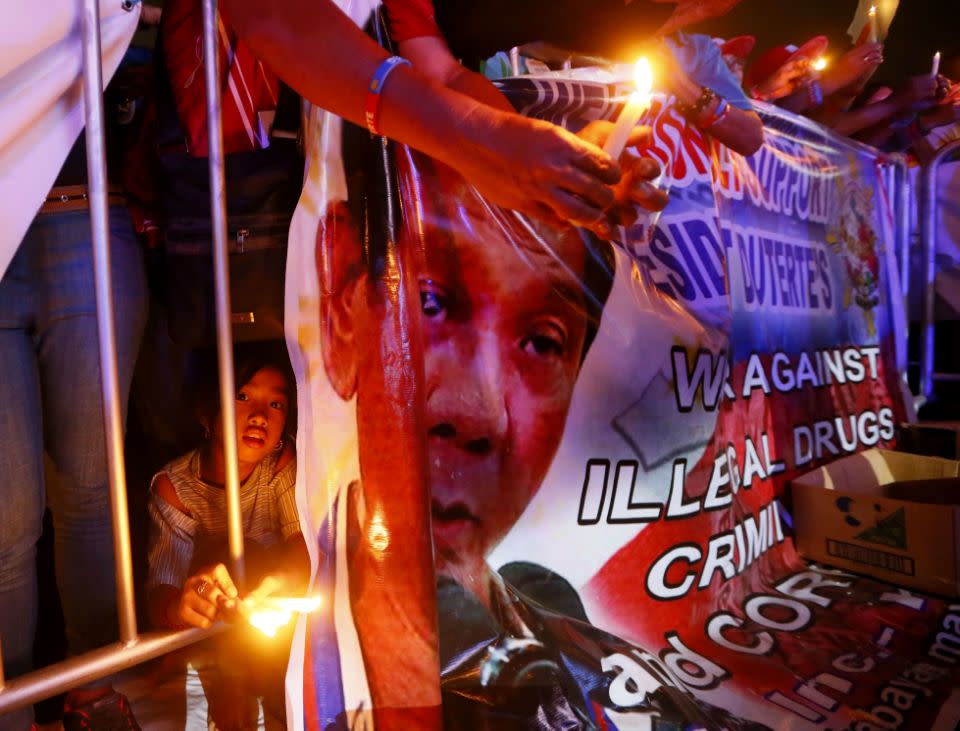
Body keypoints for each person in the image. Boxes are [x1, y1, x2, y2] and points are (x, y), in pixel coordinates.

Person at [314, 127, 769, 729]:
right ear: (342, 307)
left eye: (541, 342)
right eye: (430, 303)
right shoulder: (319, 648)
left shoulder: (545, 605)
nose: (477, 413)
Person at [0, 51, 150, 731]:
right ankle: (15, 707)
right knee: (8, 522)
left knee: (92, 496)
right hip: (50, 218)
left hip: (82, 206)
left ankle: (92, 692)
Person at [146, 343, 308, 729]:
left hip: (272, 620)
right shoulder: (175, 486)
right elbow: (160, 593)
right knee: (227, 658)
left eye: (276, 405)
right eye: (243, 397)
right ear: (208, 412)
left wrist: (281, 584)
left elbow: (302, 548)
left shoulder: (281, 463)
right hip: (217, 630)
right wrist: (185, 603)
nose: (259, 417)